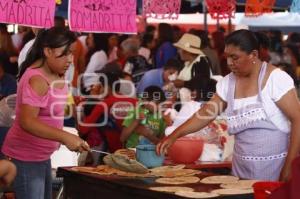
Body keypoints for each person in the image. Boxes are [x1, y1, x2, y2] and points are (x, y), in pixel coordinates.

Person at [157, 29, 300, 181]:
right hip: (240, 170)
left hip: (275, 169)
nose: (229, 63)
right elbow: (206, 113)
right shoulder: (228, 83)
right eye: (227, 57)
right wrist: (175, 135)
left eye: (235, 57)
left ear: (253, 55)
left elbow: (297, 119)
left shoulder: (275, 79)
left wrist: (290, 166)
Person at [1, 27, 90, 199]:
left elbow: (50, 111)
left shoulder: (56, 72)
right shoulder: (37, 79)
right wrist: (64, 137)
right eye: (65, 54)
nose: (70, 60)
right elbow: (27, 121)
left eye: (72, 54)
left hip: (42, 156)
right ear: (47, 51)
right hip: (26, 156)